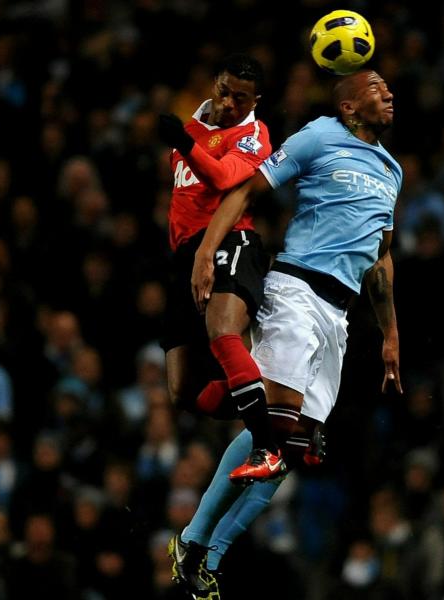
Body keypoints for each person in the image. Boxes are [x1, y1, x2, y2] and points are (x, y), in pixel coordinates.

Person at [170, 68, 403, 599]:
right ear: (348, 107)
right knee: (273, 433)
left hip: (339, 314)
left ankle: (202, 549)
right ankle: (196, 535)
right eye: (375, 88)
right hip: (296, 288)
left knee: (290, 452)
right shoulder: (320, 135)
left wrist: (390, 332)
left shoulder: (392, 170)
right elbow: (246, 188)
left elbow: (381, 257)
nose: (388, 93)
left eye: (387, 88)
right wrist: (207, 250)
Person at [157, 54, 284, 477]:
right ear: (215, 84)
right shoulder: (193, 126)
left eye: (242, 98)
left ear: (256, 102)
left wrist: (183, 143)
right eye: (225, 92)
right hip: (182, 256)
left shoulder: (254, 134)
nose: (230, 103)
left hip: (230, 241)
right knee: (183, 390)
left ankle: (268, 445)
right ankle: (282, 407)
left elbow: (224, 177)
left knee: (223, 332)